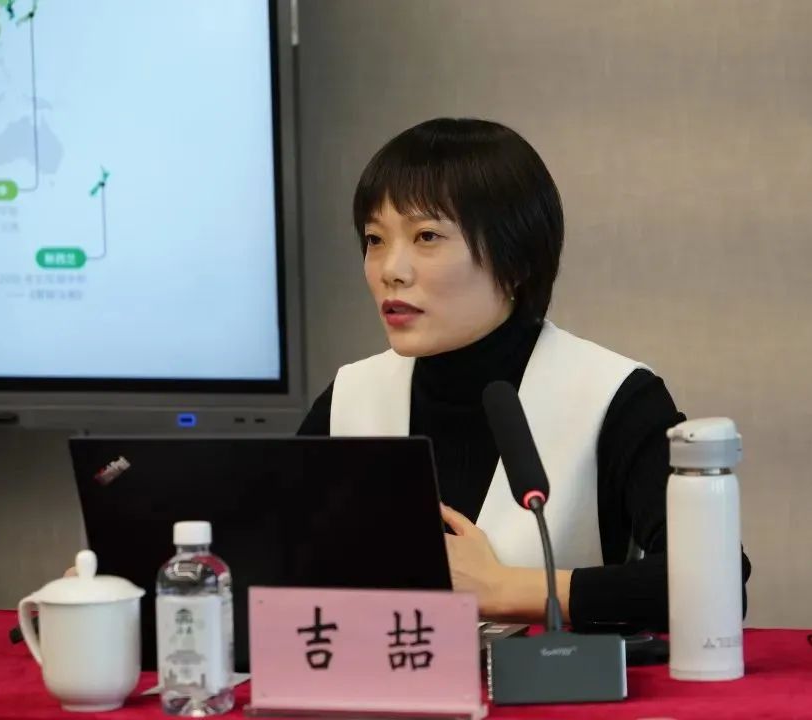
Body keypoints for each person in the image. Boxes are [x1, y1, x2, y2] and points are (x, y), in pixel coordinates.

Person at [297, 117, 750, 631]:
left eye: (426, 236)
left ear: (516, 261)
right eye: (375, 239)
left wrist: (502, 589)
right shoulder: (352, 396)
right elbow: (259, 570)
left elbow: (715, 582)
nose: (389, 270)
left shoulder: (612, 395)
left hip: (557, 681)